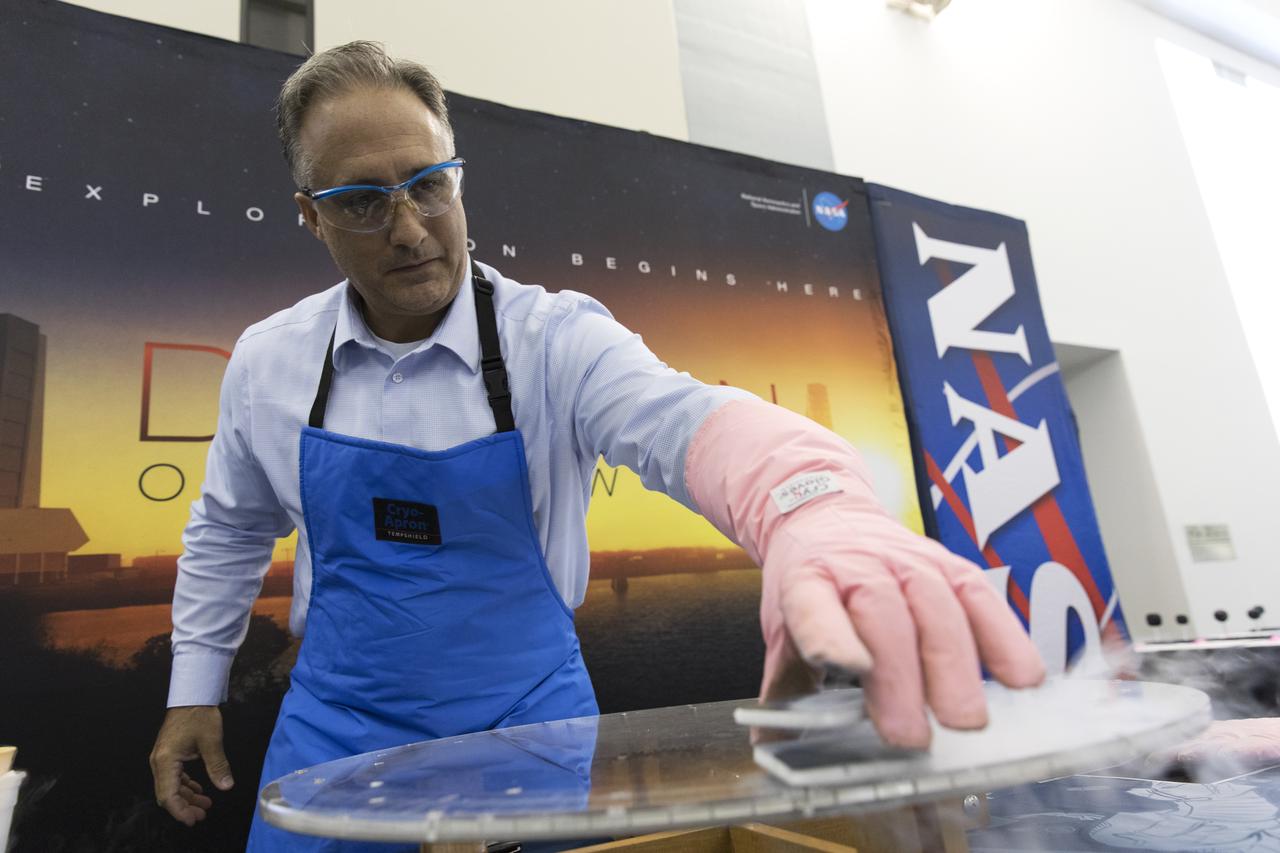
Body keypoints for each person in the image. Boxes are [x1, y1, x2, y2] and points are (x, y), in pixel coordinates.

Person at [148, 41, 1045, 851]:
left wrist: (816, 506)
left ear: (459, 176)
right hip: (336, 734)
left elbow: (686, 419)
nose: (411, 228)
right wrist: (194, 686)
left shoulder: (556, 341)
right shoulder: (270, 362)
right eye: (362, 202)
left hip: (531, 730)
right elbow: (228, 528)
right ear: (311, 215)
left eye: (429, 183)